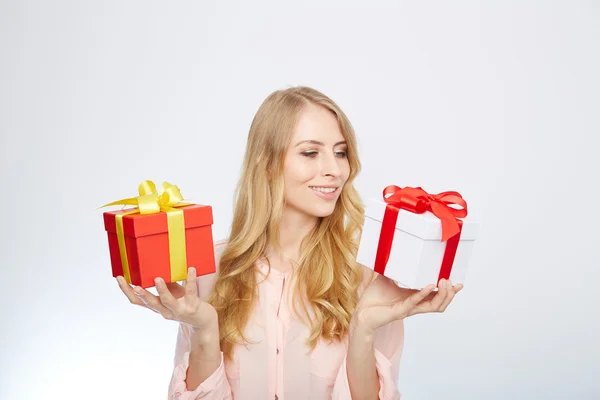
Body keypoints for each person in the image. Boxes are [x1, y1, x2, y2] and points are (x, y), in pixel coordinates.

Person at [116, 86, 463, 399]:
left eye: (340, 153)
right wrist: (204, 328)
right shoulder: (207, 271)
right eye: (310, 153)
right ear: (267, 164)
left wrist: (363, 328)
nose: (335, 170)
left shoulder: (371, 278)